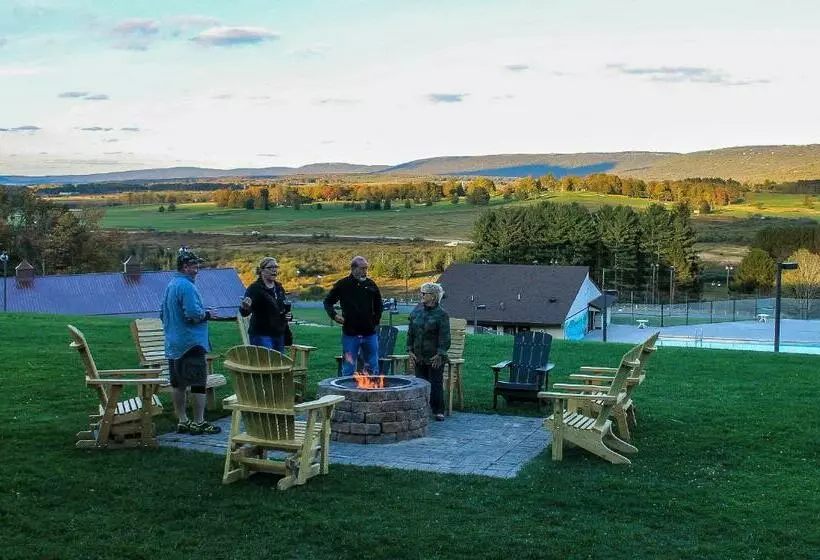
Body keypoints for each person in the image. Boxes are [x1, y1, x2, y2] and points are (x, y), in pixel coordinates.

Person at [160, 247, 221, 435]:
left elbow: (162, 314)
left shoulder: (171, 285)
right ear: (185, 267)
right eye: (195, 265)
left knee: (178, 384)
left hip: (174, 343)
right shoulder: (187, 286)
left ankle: (182, 420)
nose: (198, 269)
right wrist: (208, 314)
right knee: (198, 384)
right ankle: (199, 421)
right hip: (191, 343)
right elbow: (194, 314)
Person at [323, 256, 383, 376]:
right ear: (353, 268)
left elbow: (379, 305)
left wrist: (374, 322)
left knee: (372, 366)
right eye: (362, 268)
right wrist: (334, 315)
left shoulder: (371, 284)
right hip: (350, 333)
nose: (365, 271)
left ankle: (372, 391)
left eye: (366, 268)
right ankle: (348, 392)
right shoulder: (343, 284)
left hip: (369, 333)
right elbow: (328, 302)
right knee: (348, 368)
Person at [407, 282, 451, 421]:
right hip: (419, 356)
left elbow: (445, 336)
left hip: (434, 356)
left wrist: (440, 353)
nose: (422, 295)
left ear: (433, 296)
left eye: (424, 293)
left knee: (435, 383)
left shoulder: (442, 315)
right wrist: (409, 350)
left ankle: (439, 410)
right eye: (422, 292)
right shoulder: (416, 313)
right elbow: (410, 333)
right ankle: (422, 408)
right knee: (421, 383)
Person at [239, 256, 291, 353]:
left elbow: (282, 308)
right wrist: (245, 307)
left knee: (279, 363)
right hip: (261, 334)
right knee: (267, 364)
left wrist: (288, 315)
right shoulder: (254, 289)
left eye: (276, 267)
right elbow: (244, 313)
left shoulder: (279, 287)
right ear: (262, 270)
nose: (274, 270)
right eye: (270, 267)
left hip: (279, 333)